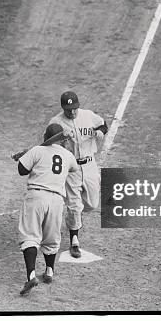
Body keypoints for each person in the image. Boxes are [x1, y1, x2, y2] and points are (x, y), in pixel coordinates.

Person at [17, 123, 79, 295]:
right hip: (56, 200)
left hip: (36, 197)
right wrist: (66, 146)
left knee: (30, 236)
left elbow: (22, 170)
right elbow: (74, 167)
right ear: (61, 139)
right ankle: (49, 271)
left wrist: (27, 156)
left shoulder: (37, 150)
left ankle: (31, 276)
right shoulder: (67, 155)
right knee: (51, 237)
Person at [48, 91, 107, 258]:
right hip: (71, 168)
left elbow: (103, 124)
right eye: (68, 110)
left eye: (74, 108)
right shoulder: (56, 122)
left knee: (92, 204)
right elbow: (48, 143)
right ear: (63, 108)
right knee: (74, 204)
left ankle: (75, 215)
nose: (72, 112)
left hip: (89, 166)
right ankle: (74, 240)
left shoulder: (88, 116)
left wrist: (101, 131)